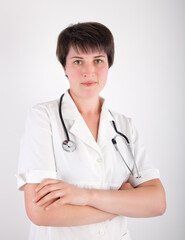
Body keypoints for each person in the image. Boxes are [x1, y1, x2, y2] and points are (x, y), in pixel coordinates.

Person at [16, 22, 166, 240]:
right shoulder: (43, 117)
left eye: (98, 60)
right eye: (78, 61)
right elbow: (40, 212)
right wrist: (125, 203)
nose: (89, 71)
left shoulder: (124, 126)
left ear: (108, 64)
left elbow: (157, 203)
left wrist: (83, 196)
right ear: (64, 67)